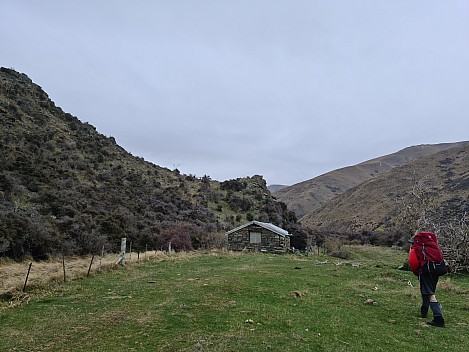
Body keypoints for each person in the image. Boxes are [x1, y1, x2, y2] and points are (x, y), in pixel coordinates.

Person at [408, 233, 445, 327]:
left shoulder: (415, 250)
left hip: (425, 271)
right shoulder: (432, 249)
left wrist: (418, 272)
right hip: (435, 270)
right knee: (429, 290)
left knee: (430, 294)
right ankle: (424, 311)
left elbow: (413, 263)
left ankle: (438, 318)